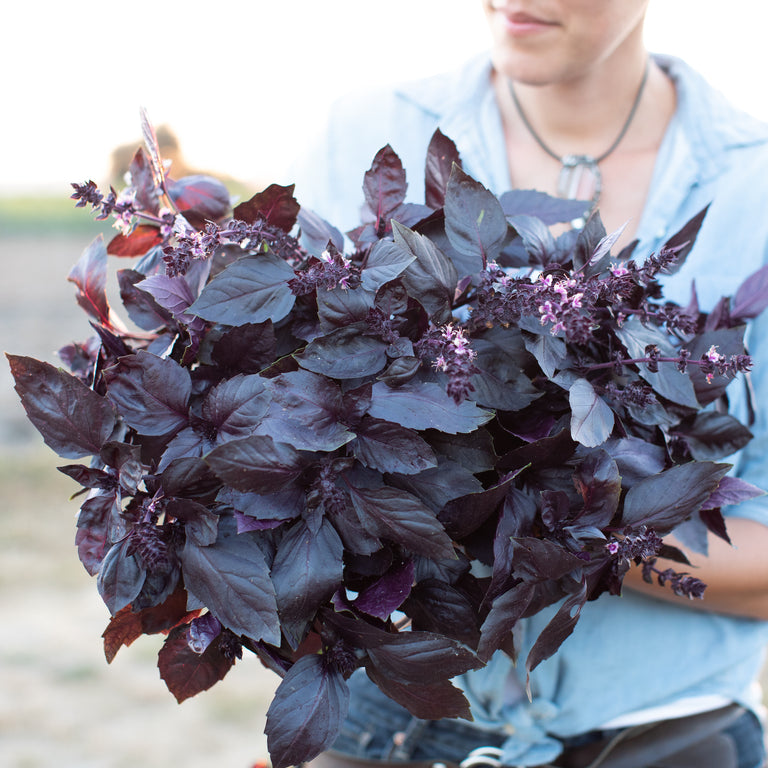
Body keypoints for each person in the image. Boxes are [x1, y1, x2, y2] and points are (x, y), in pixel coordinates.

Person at [291, 2, 768, 766]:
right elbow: (287, 413)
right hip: (385, 731)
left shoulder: (755, 186)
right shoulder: (367, 131)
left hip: (664, 739)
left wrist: (552, 523)